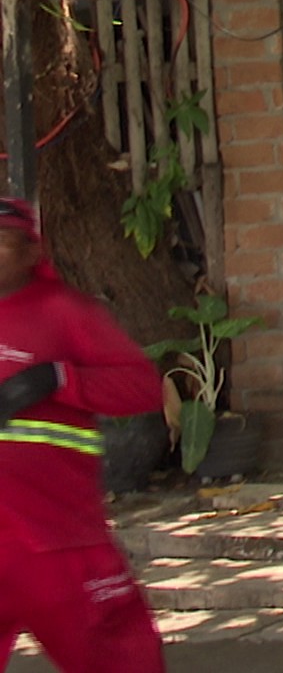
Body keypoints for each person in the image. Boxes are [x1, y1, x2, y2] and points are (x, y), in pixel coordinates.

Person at [0, 198, 167, 672]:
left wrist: (58, 378)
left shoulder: (65, 312)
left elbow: (143, 388)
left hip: (58, 543)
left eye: (3, 242)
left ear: (32, 252)